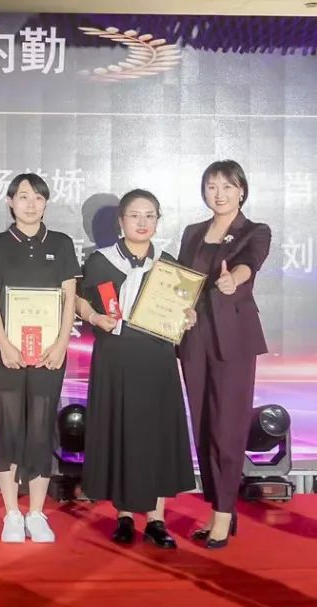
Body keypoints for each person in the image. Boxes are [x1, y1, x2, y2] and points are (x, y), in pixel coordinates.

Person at [76, 189, 196, 549]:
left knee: (156, 434)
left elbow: (181, 309)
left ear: (157, 221)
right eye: (135, 215)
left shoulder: (169, 264)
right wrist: (94, 316)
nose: (142, 222)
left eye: (150, 216)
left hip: (157, 356)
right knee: (121, 431)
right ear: (121, 221)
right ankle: (124, 515)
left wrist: (188, 316)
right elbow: (77, 300)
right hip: (116, 355)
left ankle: (157, 519)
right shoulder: (100, 261)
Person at [0, 173, 79, 544]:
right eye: (23, 196)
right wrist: (4, 345)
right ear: (10, 202)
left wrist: (62, 343)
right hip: (7, 354)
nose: (31, 204)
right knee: (7, 429)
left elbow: (69, 298)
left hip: (49, 354)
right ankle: (11, 513)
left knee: (40, 428)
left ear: (46, 203)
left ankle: (36, 512)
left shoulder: (62, 244)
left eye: (38, 197)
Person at [178, 160, 271, 549]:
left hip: (233, 339)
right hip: (194, 337)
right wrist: (179, 310)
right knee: (202, 425)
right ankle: (221, 505)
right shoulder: (193, 232)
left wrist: (235, 279)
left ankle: (222, 513)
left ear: (241, 191)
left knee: (227, 428)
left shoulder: (255, 231)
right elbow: (182, 281)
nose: (219, 194)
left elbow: (250, 264)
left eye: (227, 186)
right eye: (212, 186)